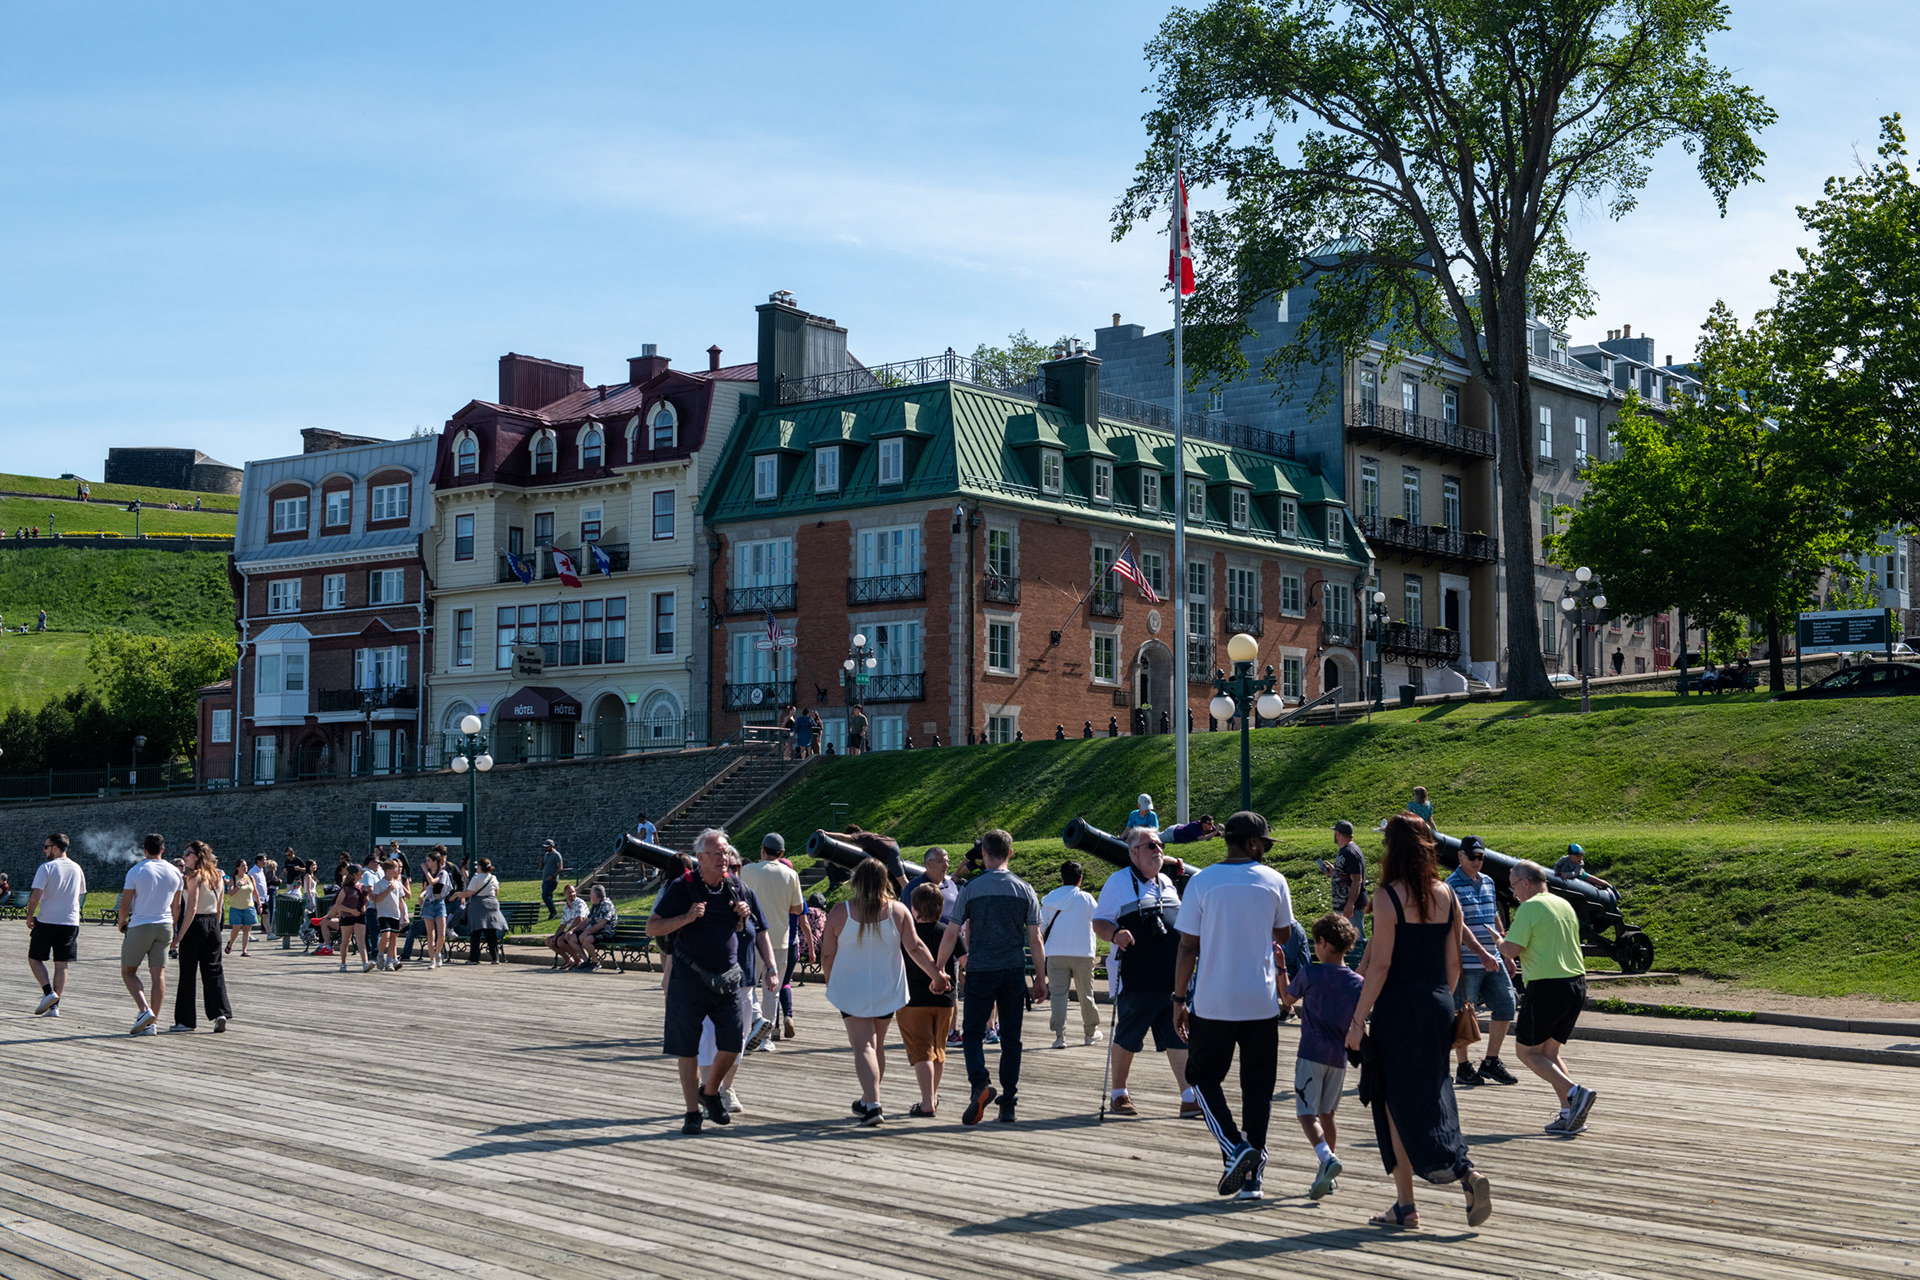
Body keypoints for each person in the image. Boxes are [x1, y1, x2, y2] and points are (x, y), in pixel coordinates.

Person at [1343, 814, 1493, 1230]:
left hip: (1399, 1010)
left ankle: (1412, 1202)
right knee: (1433, 1092)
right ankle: (1457, 1177)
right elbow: (1452, 965)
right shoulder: (1448, 894)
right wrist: (1437, 1001)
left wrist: (1358, 1021)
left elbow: (1381, 965)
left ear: (1392, 850)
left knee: (1394, 1103)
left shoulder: (1388, 897)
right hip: (1438, 1005)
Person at [1172, 811, 1295, 1201]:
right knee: (1257, 1089)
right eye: (1265, 846)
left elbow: (1188, 946)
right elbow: (1284, 932)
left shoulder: (1201, 882)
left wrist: (1179, 999)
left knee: (1202, 1077)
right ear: (1254, 843)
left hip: (1213, 1001)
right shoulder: (1274, 881)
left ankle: (1233, 1146)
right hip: (1260, 1001)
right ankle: (1253, 1178)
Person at [648, 828, 778, 1135]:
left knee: (733, 1044)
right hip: (689, 979)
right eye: (717, 854)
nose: (724, 859)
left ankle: (711, 1092)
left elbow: (755, 930)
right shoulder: (682, 887)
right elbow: (652, 928)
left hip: (728, 979)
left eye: (726, 853)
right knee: (688, 1048)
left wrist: (744, 917)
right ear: (700, 859)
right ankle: (692, 1111)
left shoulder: (738, 889)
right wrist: (687, 917)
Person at [937, 829, 1047, 1126]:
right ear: (1010, 853)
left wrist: (938, 967)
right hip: (1012, 971)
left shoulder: (971, 889)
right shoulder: (1025, 889)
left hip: (980, 969)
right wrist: (1040, 978)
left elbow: (951, 932)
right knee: (1011, 1039)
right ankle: (1008, 1104)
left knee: (972, 1033)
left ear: (983, 853)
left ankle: (980, 1083)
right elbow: (1035, 939)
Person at [823, 858, 945, 1126]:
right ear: (885, 881)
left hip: (851, 989)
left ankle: (873, 1105)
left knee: (863, 1045)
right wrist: (936, 974)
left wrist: (831, 980)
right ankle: (868, 1098)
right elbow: (915, 948)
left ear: (856, 882)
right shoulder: (899, 911)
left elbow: (828, 954)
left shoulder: (840, 912)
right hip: (887, 988)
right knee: (875, 1043)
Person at [1093, 825, 1199, 1119]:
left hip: (1172, 978)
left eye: (1159, 845)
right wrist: (1115, 934)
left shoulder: (1166, 882)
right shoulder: (1118, 882)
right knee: (1128, 1035)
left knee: (1178, 1035)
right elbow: (1099, 921)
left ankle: (1189, 1096)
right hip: (1137, 975)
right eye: (1151, 846)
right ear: (1133, 852)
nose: (1158, 850)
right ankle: (1119, 1094)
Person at [1500, 860, 1595, 1137]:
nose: (1513, 892)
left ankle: (1576, 1092)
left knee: (1526, 1052)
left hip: (1547, 986)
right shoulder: (1562, 903)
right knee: (1549, 1053)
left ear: (1526, 882)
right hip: (1576, 984)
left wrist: (1498, 942)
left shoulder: (1529, 907)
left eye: (1513, 885)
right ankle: (1569, 1113)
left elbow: (1512, 950)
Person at [1283, 913, 1365, 1201]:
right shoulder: (1357, 982)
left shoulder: (1310, 973)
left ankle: (1326, 1158)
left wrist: (1281, 967)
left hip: (1310, 1054)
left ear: (1321, 942)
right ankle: (1325, 1176)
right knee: (1328, 1115)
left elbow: (1287, 999)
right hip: (1338, 1060)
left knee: (1306, 1114)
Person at [1446, 836, 1521, 1087]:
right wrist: (1481, 953)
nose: (1477, 861)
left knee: (1506, 1005)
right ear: (1460, 856)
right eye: (1472, 857)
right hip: (1467, 962)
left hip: (1494, 958)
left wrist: (1504, 951)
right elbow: (1459, 925)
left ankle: (1491, 1061)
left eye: (1481, 857)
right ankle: (1464, 1066)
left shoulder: (1488, 882)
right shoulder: (1450, 886)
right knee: (1464, 1013)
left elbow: (1494, 917)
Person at [899, 883, 965, 1117]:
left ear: (914, 909)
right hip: (945, 1000)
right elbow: (966, 960)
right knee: (939, 1050)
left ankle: (927, 1102)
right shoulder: (948, 931)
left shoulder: (908, 934)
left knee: (922, 1052)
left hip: (913, 1000)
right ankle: (933, 1096)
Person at [738, 833, 805, 1039]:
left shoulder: (747, 870)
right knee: (772, 991)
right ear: (782, 853)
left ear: (762, 849)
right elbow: (798, 908)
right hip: (781, 938)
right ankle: (766, 1039)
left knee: (746, 988)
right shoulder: (790, 875)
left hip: (752, 939)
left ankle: (756, 1022)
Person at [1040, 861, 1101, 1049]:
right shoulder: (1086, 898)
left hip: (1055, 952)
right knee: (1086, 994)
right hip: (1083, 952)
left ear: (1061, 878)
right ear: (1080, 878)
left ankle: (1060, 1036)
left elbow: (1041, 928)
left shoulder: (1049, 899)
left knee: (1058, 995)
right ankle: (1090, 1033)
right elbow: (1098, 922)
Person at [174, 841, 233, 1033]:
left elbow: (191, 907)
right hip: (213, 925)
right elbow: (219, 908)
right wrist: (215, 927)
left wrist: (179, 936)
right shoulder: (217, 876)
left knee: (188, 974)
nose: (184, 856)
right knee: (214, 972)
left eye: (187, 853)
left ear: (198, 856)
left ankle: (185, 1021)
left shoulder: (194, 876)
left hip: (195, 925)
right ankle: (220, 1013)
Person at [27, 833, 86, 1018]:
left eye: (46, 847)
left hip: (47, 920)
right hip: (70, 922)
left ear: (55, 847)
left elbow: (36, 895)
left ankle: (48, 993)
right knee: (62, 965)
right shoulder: (77, 868)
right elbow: (79, 895)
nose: (44, 850)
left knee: (34, 958)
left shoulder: (47, 867)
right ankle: (55, 1007)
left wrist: (29, 915)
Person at [1322, 820, 1368, 969]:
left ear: (1339, 834)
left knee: (1357, 941)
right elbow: (1347, 876)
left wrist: (1350, 903)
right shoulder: (1345, 851)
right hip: (1345, 906)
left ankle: (1362, 973)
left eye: (1335, 833)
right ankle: (1355, 971)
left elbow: (1357, 880)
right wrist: (1334, 872)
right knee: (1347, 941)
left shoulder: (1351, 852)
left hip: (1350, 908)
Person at [453, 859, 509, 963]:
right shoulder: (493, 877)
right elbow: (496, 892)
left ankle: (474, 958)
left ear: (479, 867)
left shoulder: (476, 878)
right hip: (492, 904)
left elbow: (468, 893)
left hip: (478, 905)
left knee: (475, 932)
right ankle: (495, 957)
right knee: (491, 933)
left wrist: (457, 894)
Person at [325, 863, 371, 972]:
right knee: (346, 940)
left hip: (360, 916)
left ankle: (365, 963)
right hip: (347, 916)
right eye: (360, 873)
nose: (362, 874)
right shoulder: (346, 888)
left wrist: (364, 906)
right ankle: (343, 963)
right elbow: (338, 904)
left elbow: (367, 900)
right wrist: (351, 911)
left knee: (361, 940)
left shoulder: (362, 887)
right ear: (355, 874)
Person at [415, 849, 453, 967]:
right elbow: (426, 887)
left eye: (429, 861)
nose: (426, 863)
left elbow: (433, 882)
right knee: (430, 934)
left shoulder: (443, 873)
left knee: (441, 933)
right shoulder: (427, 874)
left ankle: (438, 953)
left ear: (435, 862)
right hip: (429, 903)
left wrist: (426, 871)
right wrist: (421, 895)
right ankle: (432, 960)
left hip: (439, 903)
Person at [369, 858, 410, 971]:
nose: (397, 870)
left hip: (395, 914)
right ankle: (380, 954)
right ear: (388, 870)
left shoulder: (398, 884)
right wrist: (388, 890)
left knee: (393, 938)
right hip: (383, 913)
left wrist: (404, 914)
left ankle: (389, 961)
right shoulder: (380, 884)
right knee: (385, 935)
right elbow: (376, 899)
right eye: (395, 868)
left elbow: (401, 900)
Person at [902, 847, 959, 923]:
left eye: (947, 862)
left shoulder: (952, 885)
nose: (946, 865)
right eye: (942, 861)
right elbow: (905, 917)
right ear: (928, 864)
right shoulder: (914, 887)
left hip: (953, 934)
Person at [572, 885, 617, 971]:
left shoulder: (606, 904)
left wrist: (587, 932)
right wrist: (573, 931)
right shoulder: (595, 904)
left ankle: (595, 962)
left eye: (591, 893)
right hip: (595, 931)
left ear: (596, 895)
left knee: (586, 939)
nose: (589, 895)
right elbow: (586, 921)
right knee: (572, 938)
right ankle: (586, 961)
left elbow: (601, 924)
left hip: (606, 932)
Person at [224, 857, 258, 956]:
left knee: (247, 929)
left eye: (246, 866)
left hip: (249, 907)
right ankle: (230, 943)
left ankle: (244, 950)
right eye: (243, 866)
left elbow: (255, 892)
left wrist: (259, 904)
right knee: (236, 928)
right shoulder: (233, 879)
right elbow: (230, 893)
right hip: (236, 908)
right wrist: (238, 886)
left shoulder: (250, 878)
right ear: (237, 868)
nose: (245, 868)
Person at [548, 884, 586, 968]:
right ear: (565, 894)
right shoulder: (566, 907)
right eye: (569, 893)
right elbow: (563, 925)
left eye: (573, 892)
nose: (572, 894)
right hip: (571, 931)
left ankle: (578, 960)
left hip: (580, 930)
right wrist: (556, 936)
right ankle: (568, 960)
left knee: (561, 942)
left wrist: (568, 932)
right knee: (549, 941)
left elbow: (579, 920)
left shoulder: (579, 903)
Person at [539, 840, 565, 919]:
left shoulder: (556, 855)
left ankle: (553, 912)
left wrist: (553, 876)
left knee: (545, 895)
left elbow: (560, 868)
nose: (546, 848)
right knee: (548, 896)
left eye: (547, 847)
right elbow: (541, 868)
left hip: (552, 880)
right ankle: (552, 913)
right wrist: (541, 862)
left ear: (552, 846)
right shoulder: (546, 855)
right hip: (545, 879)